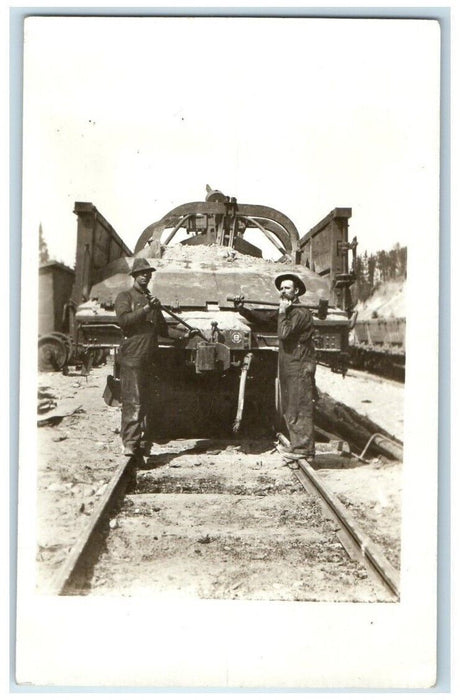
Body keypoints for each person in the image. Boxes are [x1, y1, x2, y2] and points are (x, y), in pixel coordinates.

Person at [115, 258, 197, 463]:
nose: (145, 275)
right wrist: (146, 309)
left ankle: (139, 443)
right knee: (133, 403)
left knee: (146, 402)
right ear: (134, 275)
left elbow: (162, 329)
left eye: (148, 273)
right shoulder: (125, 297)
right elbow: (124, 321)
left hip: (150, 358)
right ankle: (129, 447)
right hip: (133, 357)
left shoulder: (151, 299)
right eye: (141, 273)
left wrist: (184, 334)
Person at [234, 272, 316, 460]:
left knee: (299, 406)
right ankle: (299, 448)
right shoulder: (288, 311)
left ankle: (304, 450)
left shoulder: (300, 313)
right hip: (291, 365)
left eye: (287, 288)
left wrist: (281, 312)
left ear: (296, 292)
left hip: (300, 365)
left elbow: (284, 334)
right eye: (281, 288)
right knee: (290, 406)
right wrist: (243, 309)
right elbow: (263, 318)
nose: (283, 291)